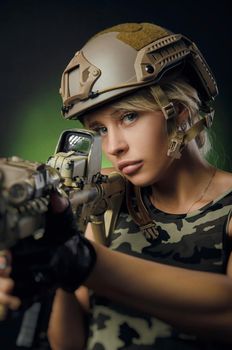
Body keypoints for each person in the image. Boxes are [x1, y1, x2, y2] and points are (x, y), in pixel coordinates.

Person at [1, 22, 232, 350]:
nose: (113, 147)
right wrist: (55, 272)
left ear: (179, 113)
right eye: (100, 129)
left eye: (128, 117)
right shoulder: (106, 204)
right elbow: (68, 343)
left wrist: (85, 262)